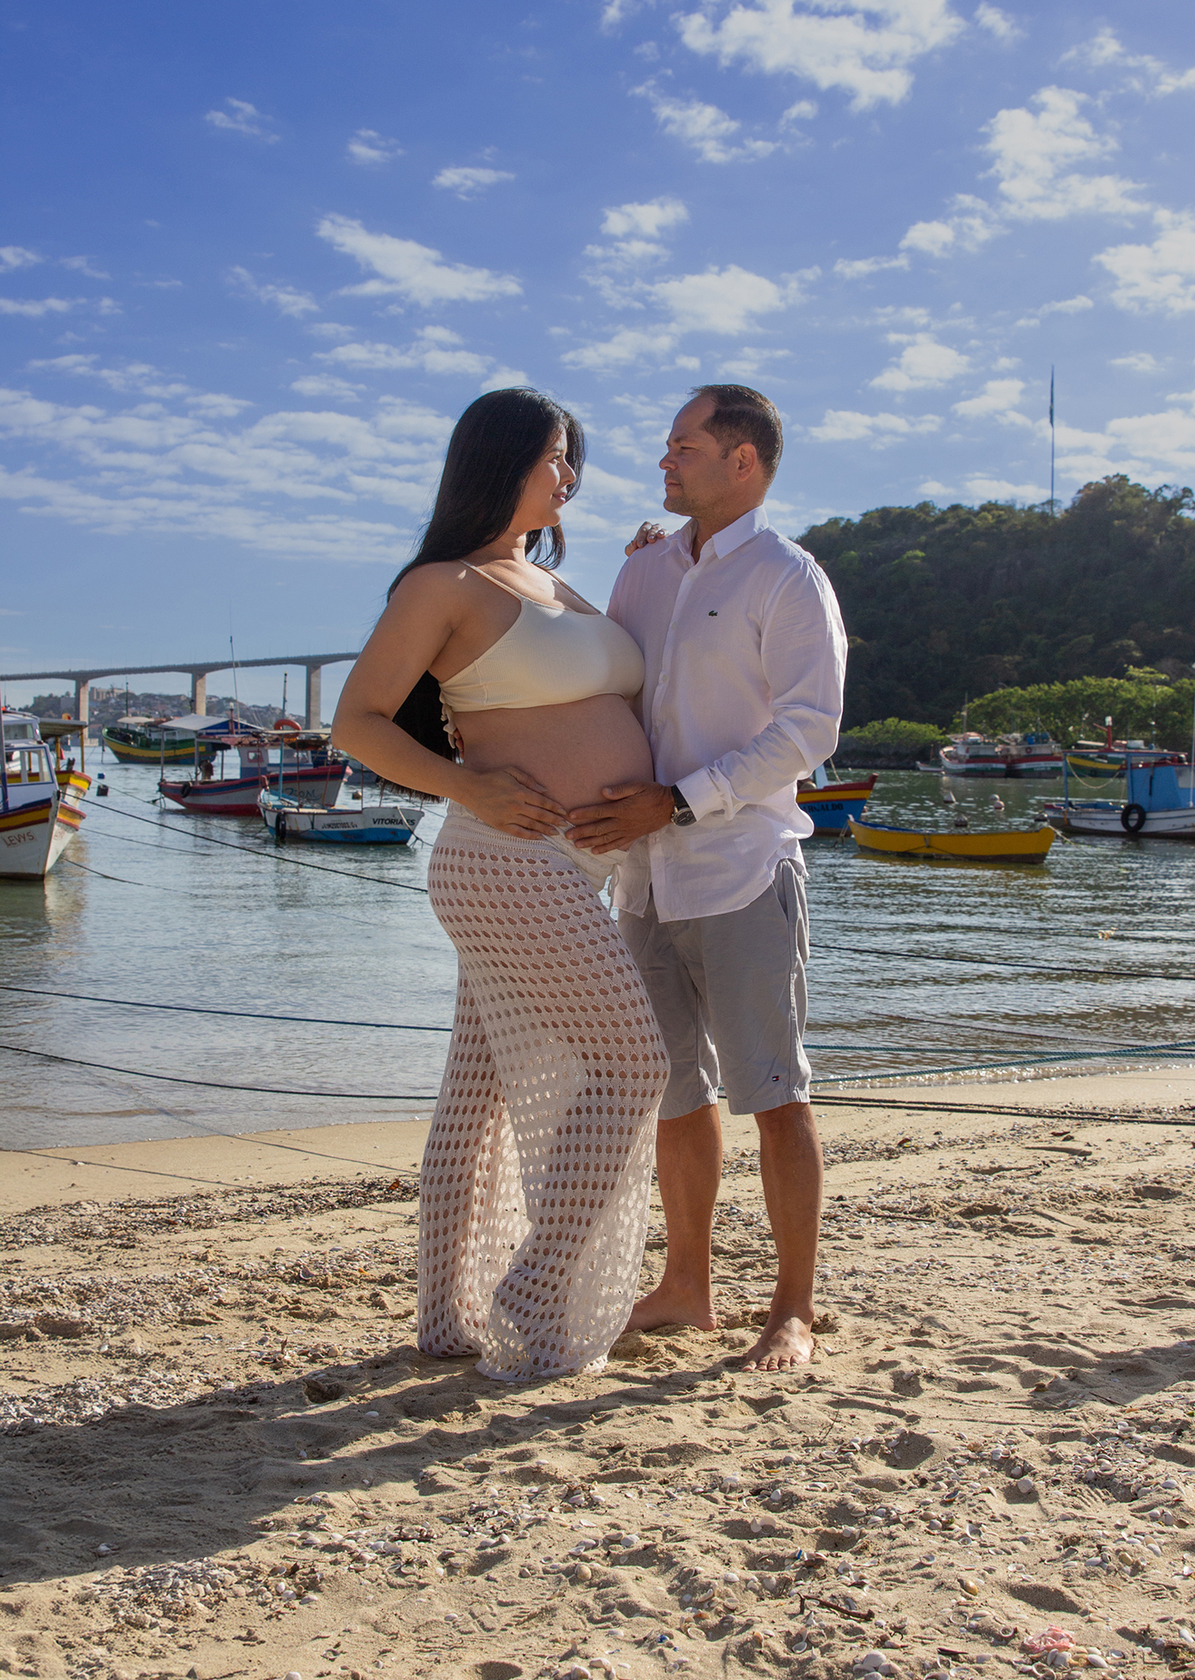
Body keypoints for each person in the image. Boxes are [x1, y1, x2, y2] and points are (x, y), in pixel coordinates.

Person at [332, 388, 669, 1383]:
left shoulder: (557, 587)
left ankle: (447, 1316)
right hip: (507, 862)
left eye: (574, 463)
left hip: (570, 868)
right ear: (502, 459)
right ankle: (535, 1284)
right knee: (633, 1064)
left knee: (475, 1099)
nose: (570, 478)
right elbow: (358, 722)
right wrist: (463, 782)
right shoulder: (444, 585)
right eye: (557, 458)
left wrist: (651, 567)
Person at [567, 384, 847, 1372]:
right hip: (643, 879)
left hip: (739, 869)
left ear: (745, 463)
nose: (663, 462)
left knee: (774, 1091)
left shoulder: (789, 577)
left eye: (683, 447)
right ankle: (688, 1285)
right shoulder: (642, 572)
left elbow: (810, 730)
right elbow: (603, 684)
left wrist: (681, 801)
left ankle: (794, 1310)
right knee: (675, 1094)